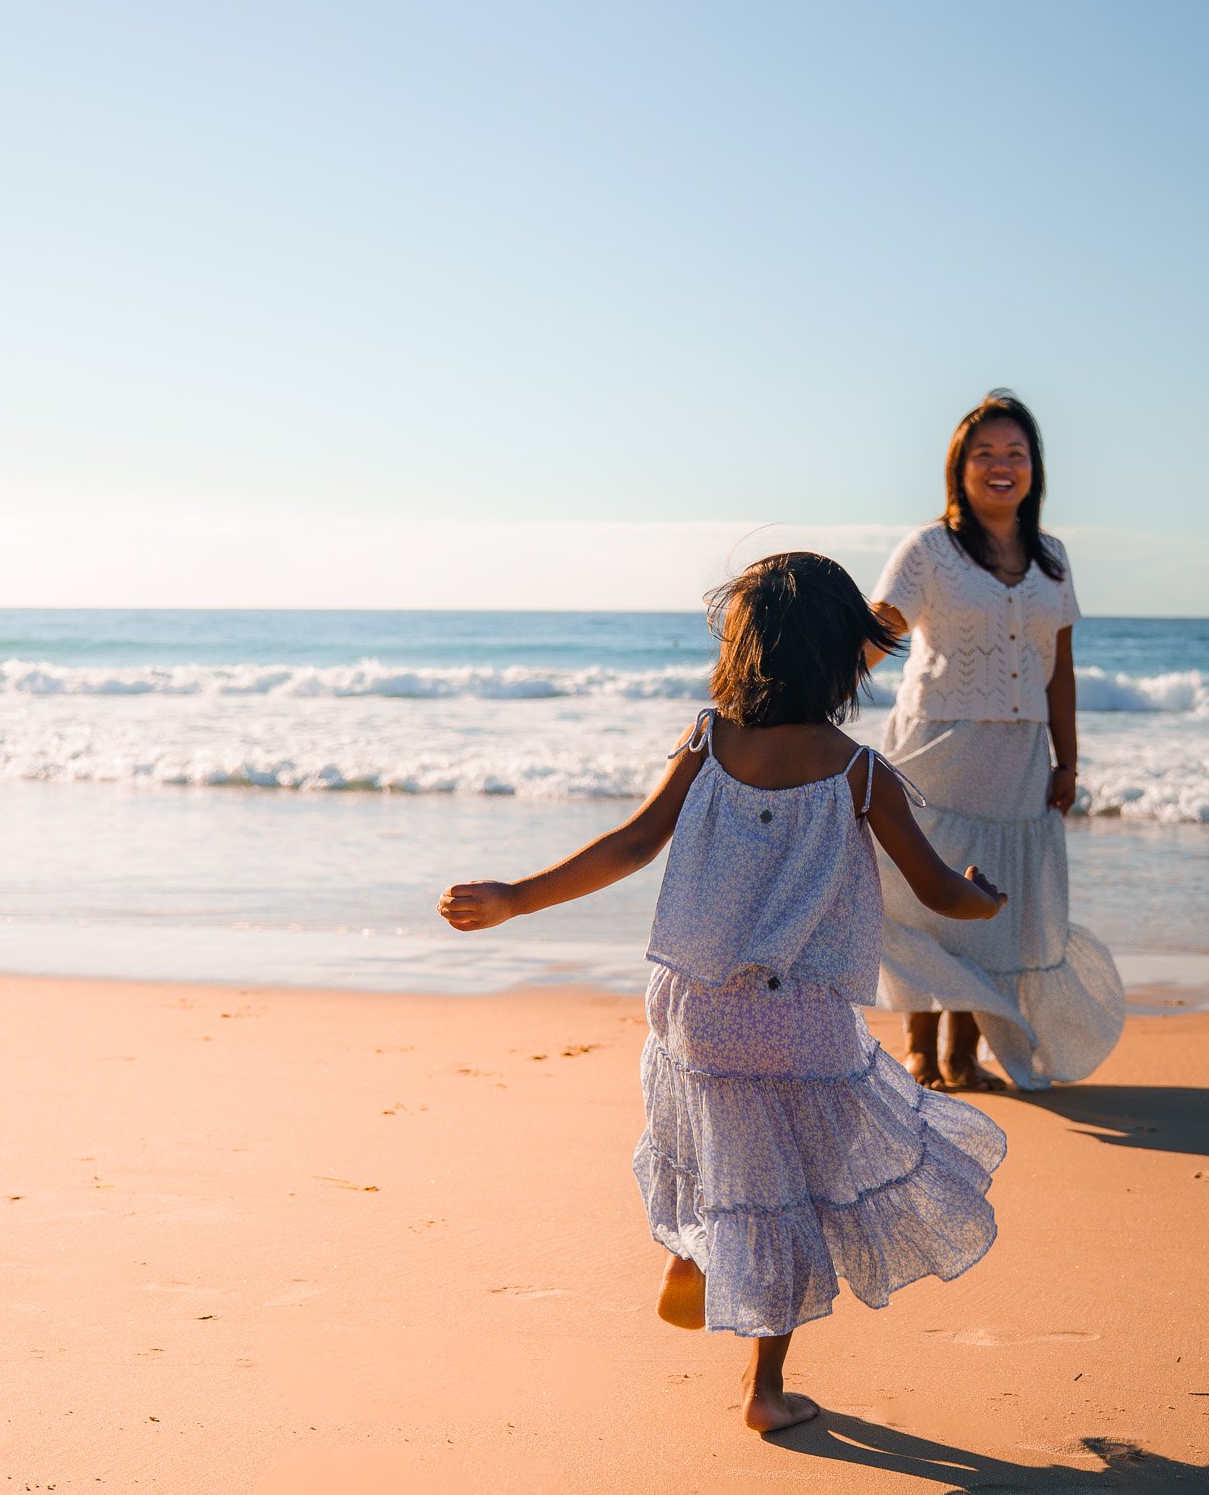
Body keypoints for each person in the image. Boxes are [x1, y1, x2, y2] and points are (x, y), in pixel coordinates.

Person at [439, 552, 1009, 1434]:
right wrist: (985, 894)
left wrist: (515, 896)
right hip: (802, 1020)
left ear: (744, 651)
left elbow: (629, 845)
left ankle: (695, 1248)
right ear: (839, 657)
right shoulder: (859, 773)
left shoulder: (708, 741)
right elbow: (938, 891)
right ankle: (764, 1390)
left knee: (720, 1148)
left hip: (695, 1007)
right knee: (790, 1194)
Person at [867, 393, 1125, 1093]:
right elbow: (879, 635)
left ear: (1034, 468)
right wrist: (799, 689)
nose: (1001, 466)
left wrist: (1066, 758)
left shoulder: (1053, 560)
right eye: (985, 454)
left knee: (993, 909)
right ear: (960, 466)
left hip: (1017, 758)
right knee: (923, 897)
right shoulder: (928, 551)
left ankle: (964, 1054)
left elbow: (1059, 669)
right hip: (938, 747)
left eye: (1015, 454)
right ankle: (920, 1049)